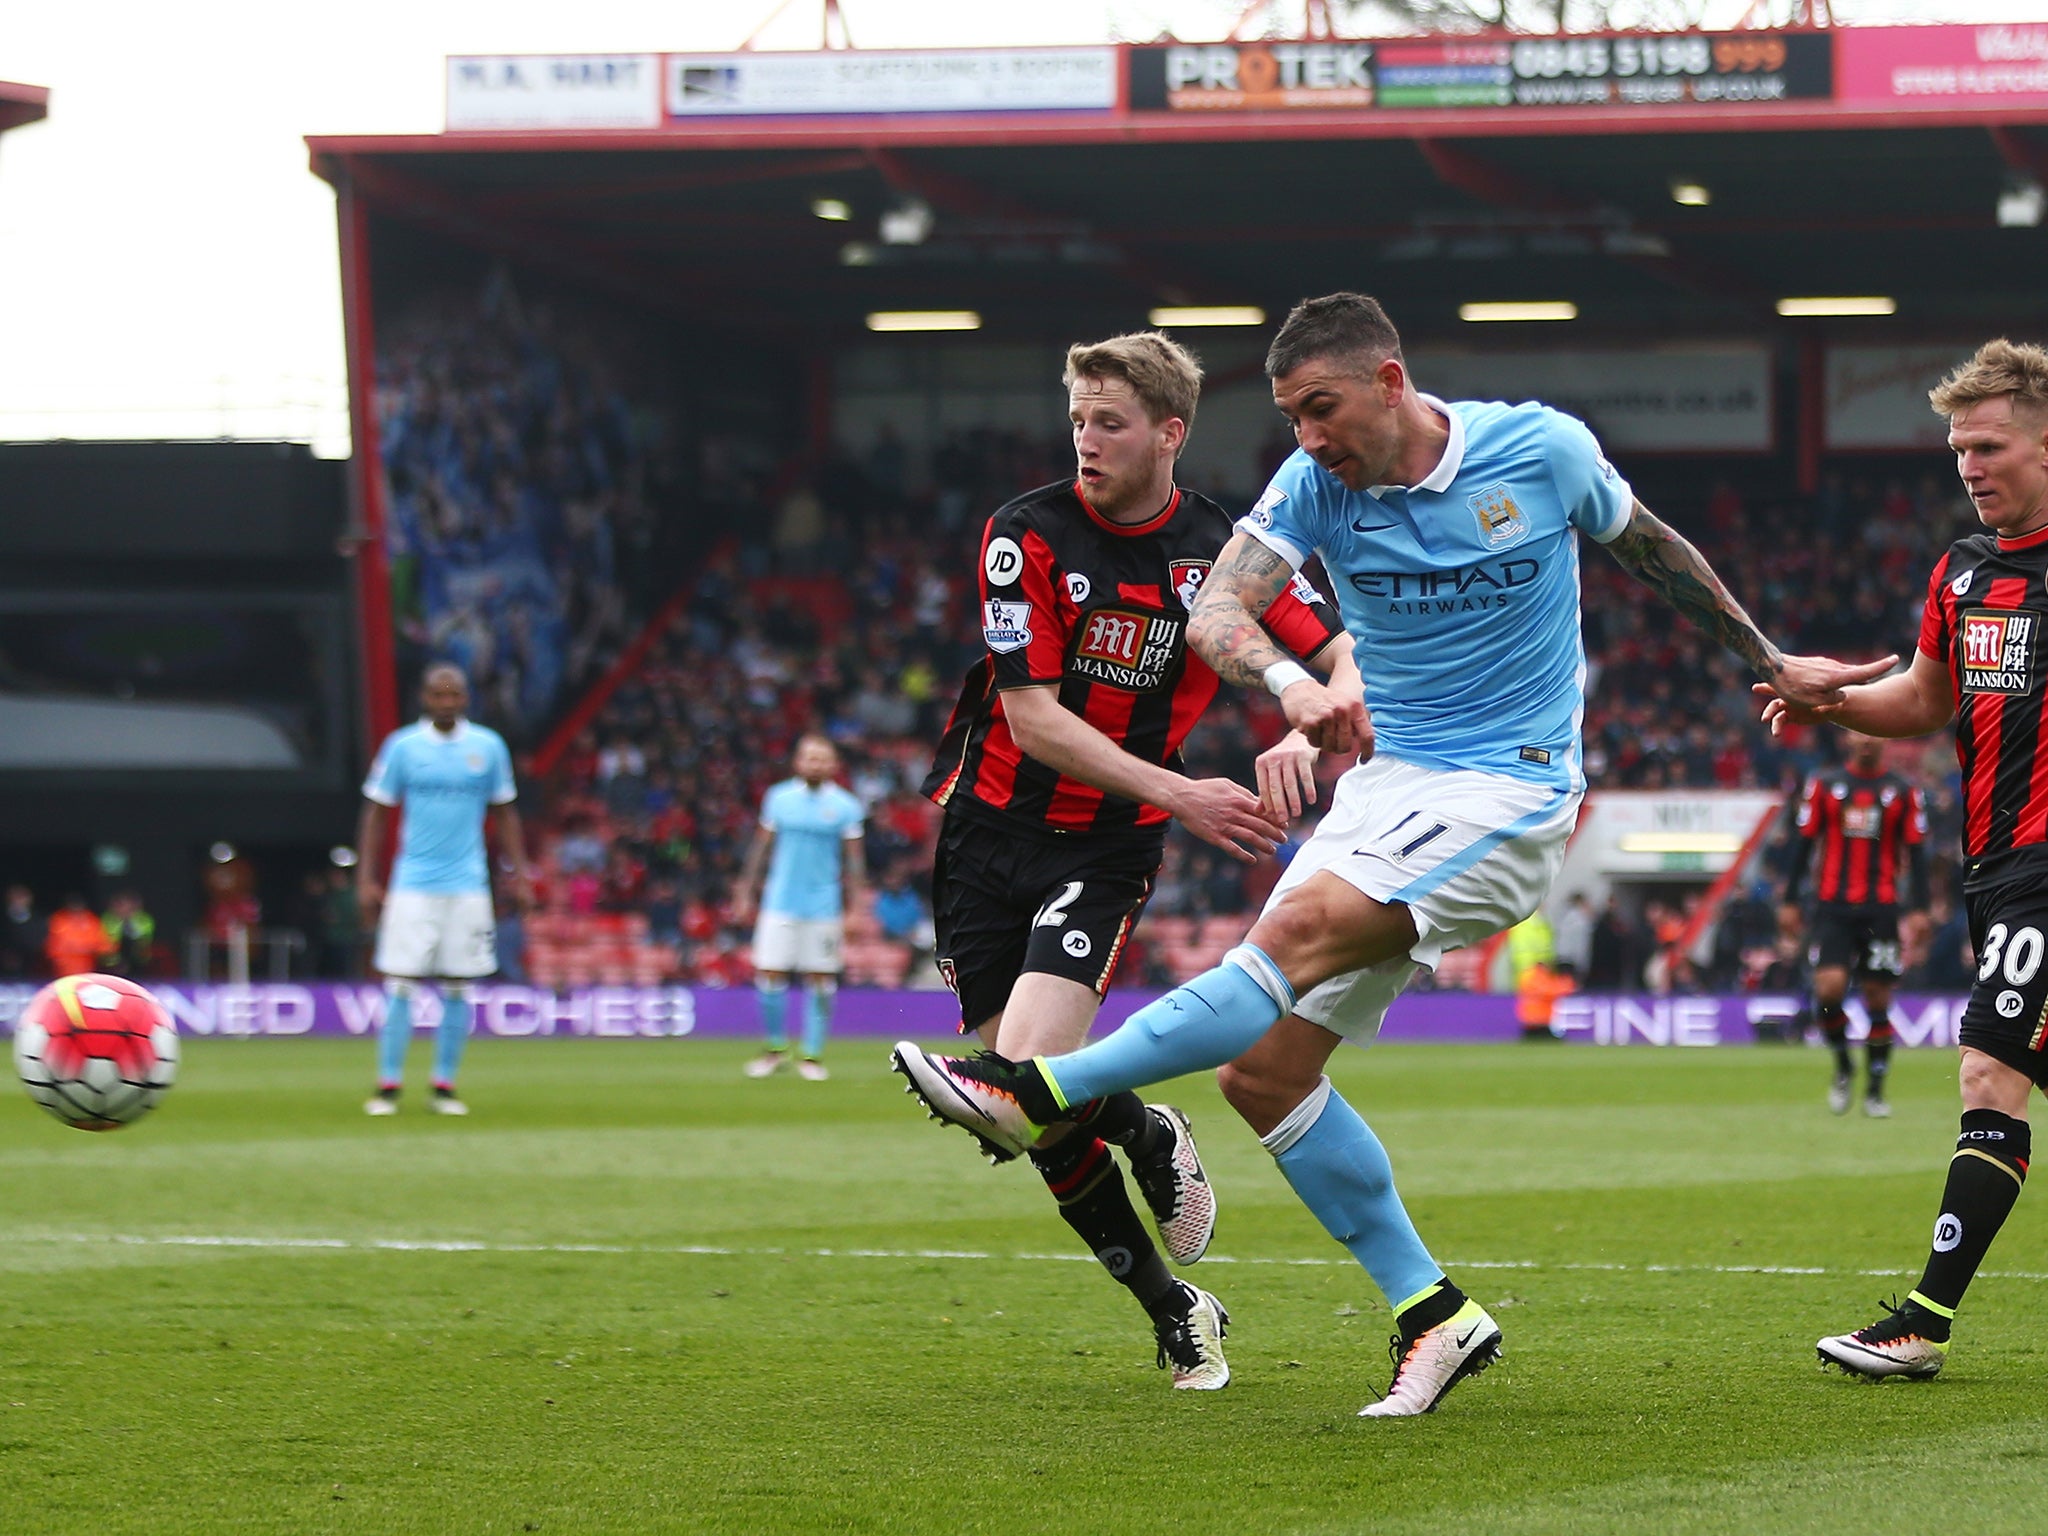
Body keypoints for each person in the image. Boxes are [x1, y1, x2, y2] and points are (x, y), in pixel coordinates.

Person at [898, 291, 1886, 1415]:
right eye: (1288, 417)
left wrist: (1767, 658)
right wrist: (1286, 686)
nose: (1308, 437)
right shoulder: (1313, 484)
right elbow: (1221, 608)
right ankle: (1434, 1313)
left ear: (1388, 381)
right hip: (1387, 793)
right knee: (1262, 1075)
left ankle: (1035, 1091)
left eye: (1320, 409)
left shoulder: (1538, 449)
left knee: (1295, 933)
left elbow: (1650, 550)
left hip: (1510, 787)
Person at [904, 330, 1350, 1392]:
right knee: (1012, 1114)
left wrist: (1304, 716)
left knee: (1017, 1089)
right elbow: (1033, 718)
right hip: (986, 830)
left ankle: (1162, 1262)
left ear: (1168, 432)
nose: (1085, 443)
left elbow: (1338, 649)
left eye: (1108, 423)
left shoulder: (1220, 553)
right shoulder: (1024, 534)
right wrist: (1183, 792)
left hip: (1101, 844)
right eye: (1076, 422)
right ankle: (1163, 1232)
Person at [1758, 338, 2048, 1381]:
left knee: (1987, 1070)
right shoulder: (1961, 572)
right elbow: (1922, 702)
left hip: (2043, 871)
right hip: (1995, 868)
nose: (1967, 466)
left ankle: (1922, 1321)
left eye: (1987, 445)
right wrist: (1830, 696)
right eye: (1955, 449)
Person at [357, 664, 532, 1116]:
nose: (447, 702)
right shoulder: (403, 747)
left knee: (459, 984)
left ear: (466, 698)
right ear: (425, 698)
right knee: (401, 980)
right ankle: (388, 1084)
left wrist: (520, 873)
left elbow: (506, 813)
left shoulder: (487, 748)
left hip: (468, 885)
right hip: (412, 883)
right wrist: (365, 878)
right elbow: (376, 813)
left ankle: (444, 1085)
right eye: (439, 694)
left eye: (454, 694)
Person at [1785, 730, 1927, 1117]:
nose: (1867, 741)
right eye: (1860, 733)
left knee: (1877, 998)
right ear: (1847, 736)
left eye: (1875, 734)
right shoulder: (1825, 785)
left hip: (1881, 909)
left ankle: (1876, 1091)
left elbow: (1917, 854)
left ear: (1886, 740)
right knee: (1828, 990)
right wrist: (1790, 900)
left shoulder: (1901, 791)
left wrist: (1920, 908)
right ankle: (1844, 1065)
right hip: (1833, 907)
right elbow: (1803, 845)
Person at [732, 734, 865, 1082]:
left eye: (821, 758)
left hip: (824, 905)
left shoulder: (846, 805)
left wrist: (856, 907)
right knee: (770, 972)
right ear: (797, 762)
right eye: (808, 757)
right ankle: (775, 1048)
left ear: (833, 765)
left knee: (820, 978)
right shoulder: (778, 798)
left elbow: (854, 862)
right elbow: (761, 848)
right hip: (780, 901)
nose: (814, 764)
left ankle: (812, 1054)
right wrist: (746, 891)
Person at [45, 893, 111, 978]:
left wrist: (84, 948)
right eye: (73, 906)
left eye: (79, 906)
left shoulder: (92, 921)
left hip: (89, 970)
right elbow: (54, 947)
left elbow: (104, 946)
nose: (76, 909)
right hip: (62, 971)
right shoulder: (58, 920)